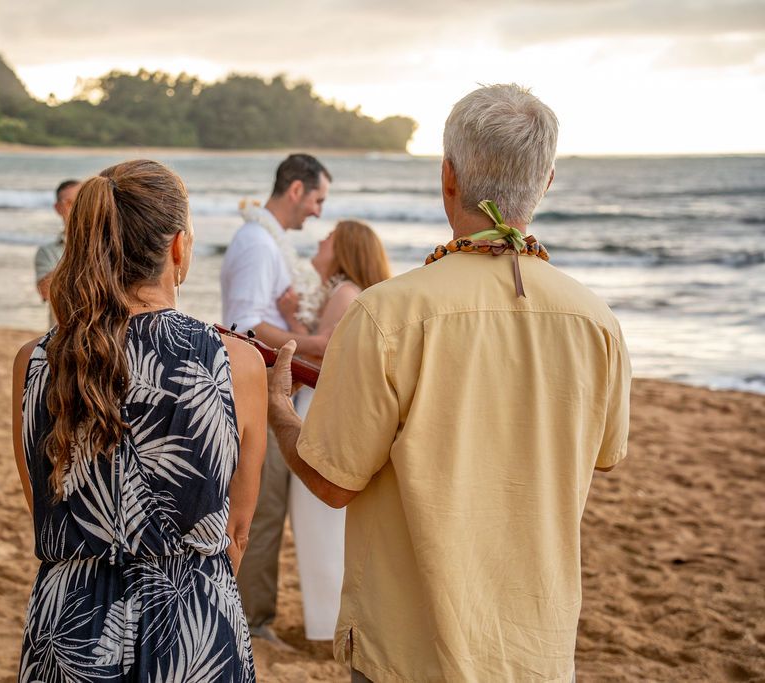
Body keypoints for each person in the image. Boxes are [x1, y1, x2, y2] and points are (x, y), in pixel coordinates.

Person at [266, 84, 632, 682]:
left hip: (409, 649)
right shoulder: (597, 322)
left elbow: (332, 484)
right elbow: (605, 455)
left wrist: (282, 414)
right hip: (536, 647)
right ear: (547, 182)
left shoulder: (387, 315)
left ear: (448, 179)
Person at [11, 160, 267, 681]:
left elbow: (41, 503)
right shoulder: (236, 362)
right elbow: (235, 534)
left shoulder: (35, 360)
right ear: (178, 247)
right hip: (193, 620)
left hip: (69, 622)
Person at [220, 153, 331, 644]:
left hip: (272, 389)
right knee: (260, 508)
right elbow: (242, 325)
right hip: (259, 389)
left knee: (266, 507)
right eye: (317, 199)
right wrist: (314, 345)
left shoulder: (268, 242)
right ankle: (251, 622)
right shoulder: (258, 244)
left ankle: (253, 615)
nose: (318, 212)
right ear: (295, 190)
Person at [275, 220, 391, 641]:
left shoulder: (345, 291)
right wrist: (294, 319)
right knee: (320, 523)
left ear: (343, 249)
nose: (321, 240)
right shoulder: (351, 292)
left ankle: (327, 628)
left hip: (319, 408)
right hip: (328, 404)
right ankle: (328, 622)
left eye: (329, 237)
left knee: (316, 520)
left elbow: (324, 348)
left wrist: (274, 336)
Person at [34, 179, 81, 327]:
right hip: (62, 338)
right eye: (69, 202)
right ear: (57, 208)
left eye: (81, 201)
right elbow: (46, 293)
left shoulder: (110, 245)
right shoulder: (47, 252)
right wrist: (78, 248)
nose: (76, 208)